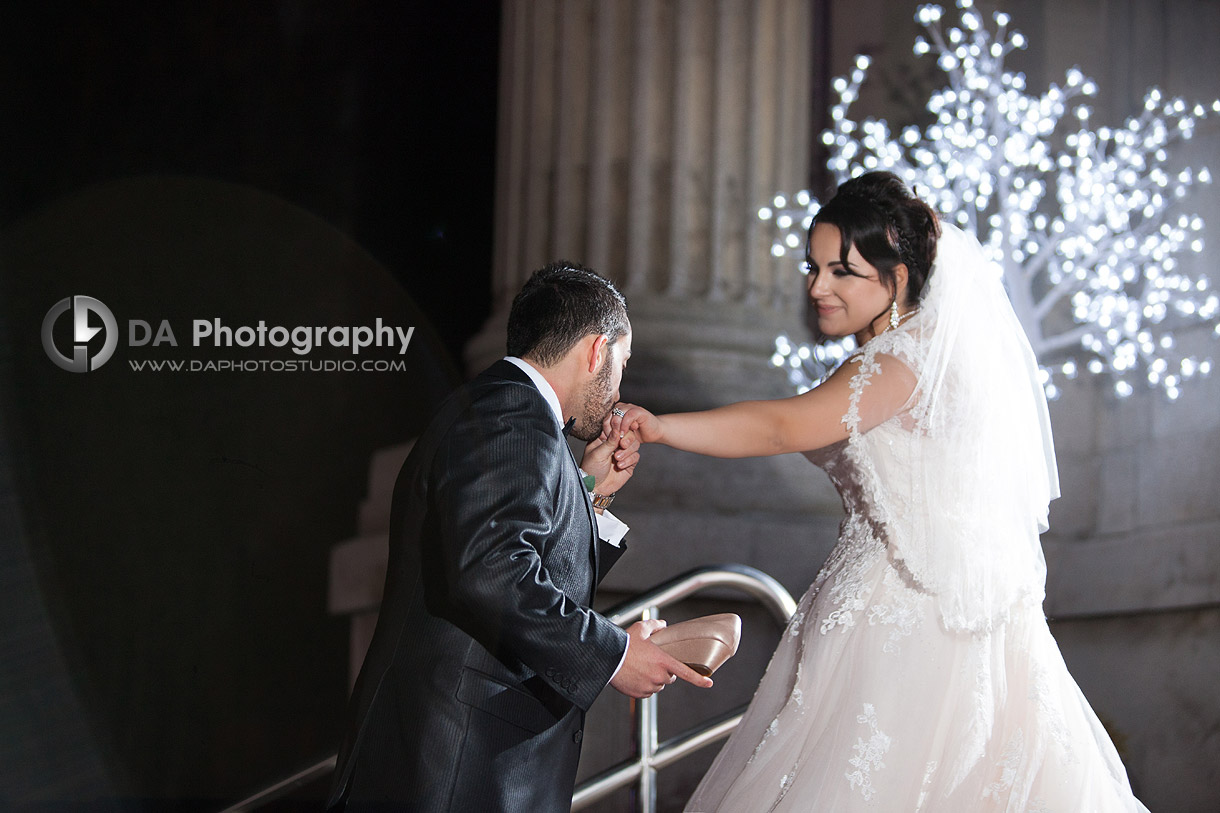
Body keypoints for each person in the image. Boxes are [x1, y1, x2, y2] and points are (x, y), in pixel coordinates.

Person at [612, 172, 1150, 811]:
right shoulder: (923, 357)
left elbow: (783, 425)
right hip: (943, 611)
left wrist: (662, 425)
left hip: (899, 619)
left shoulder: (896, 365)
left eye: (844, 272)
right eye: (813, 268)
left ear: (896, 278)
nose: (819, 287)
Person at [326, 262, 712, 813]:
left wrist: (590, 493)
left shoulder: (500, 409)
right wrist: (614, 655)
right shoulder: (512, 412)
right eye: (622, 365)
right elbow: (492, 569)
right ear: (597, 352)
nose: (620, 387)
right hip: (457, 767)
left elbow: (517, 558)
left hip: (451, 759)